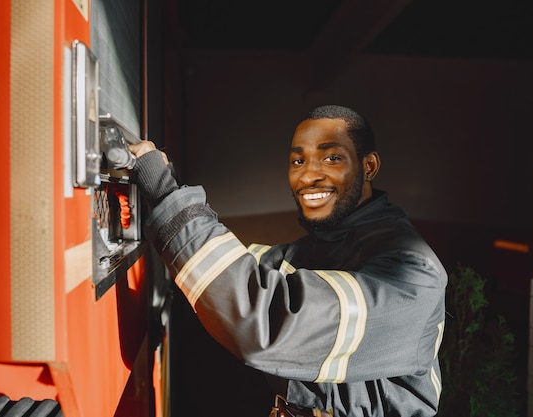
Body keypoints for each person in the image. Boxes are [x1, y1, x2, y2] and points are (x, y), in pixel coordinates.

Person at [129, 105, 447, 416]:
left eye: (332, 157)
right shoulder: (323, 246)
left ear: (369, 166)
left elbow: (263, 319)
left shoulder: (412, 274)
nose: (309, 174)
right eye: (298, 160)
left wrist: (164, 192)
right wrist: (166, 199)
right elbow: (234, 269)